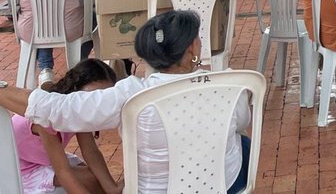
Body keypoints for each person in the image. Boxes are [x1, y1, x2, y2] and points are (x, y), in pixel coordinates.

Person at [0, 11, 254, 194]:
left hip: (152, 190)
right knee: (242, 143)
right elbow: (243, 121)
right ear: (192, 48)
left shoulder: (129, 94)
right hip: (224, 186)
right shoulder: (230, 86)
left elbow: (53, 109)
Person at [12, 59, 120, 194]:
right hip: (19, 168)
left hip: (42, 158)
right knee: (89, 178)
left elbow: (90, 151)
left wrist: (112, 188)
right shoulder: (46, 113)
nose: (95, 103)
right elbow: (63, 172)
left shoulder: (82, 109)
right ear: (75, 89)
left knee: (95, 177)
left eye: (103, 98)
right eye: (91, 96)